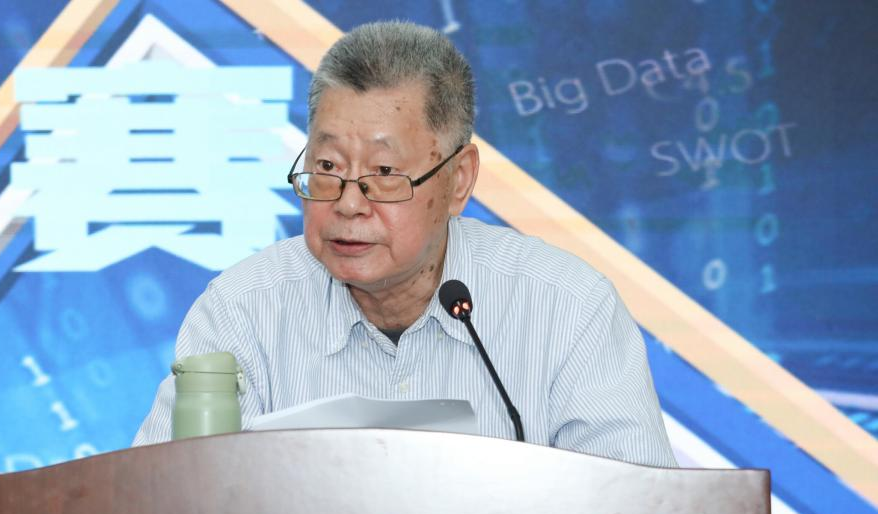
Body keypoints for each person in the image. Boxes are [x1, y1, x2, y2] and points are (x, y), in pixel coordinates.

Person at [133, 21, 675, 468]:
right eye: (328, 166)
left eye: (385, 172)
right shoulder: (241, 311)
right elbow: (156, 510)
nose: (349, 203)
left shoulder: (568, 307)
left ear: (459, 179)